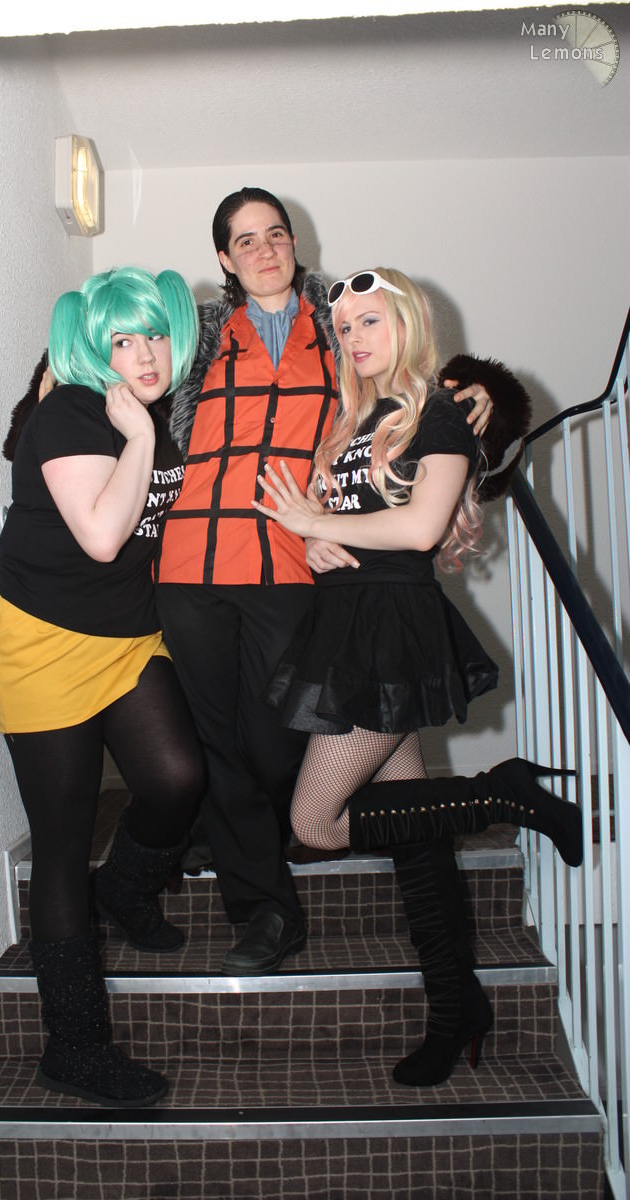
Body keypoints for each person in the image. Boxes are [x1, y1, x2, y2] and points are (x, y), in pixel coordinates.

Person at [155, 187, 499, 976]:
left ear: (293, 242)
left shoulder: (337, 328)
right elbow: (114, 359)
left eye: (275, 233)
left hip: (292, 563)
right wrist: (55, 386)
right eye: (245, 240)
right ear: (224, 258)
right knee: (219, 746)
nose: (264, 249)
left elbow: (405, 386)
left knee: (279, 744)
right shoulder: (196, 337)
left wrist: (478, 388)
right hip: (190, 564)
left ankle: (257, 834)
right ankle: (265, 911)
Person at [253, 267, 582, 1086]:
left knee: (315, 821)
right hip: (349, 621)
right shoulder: (355, 420)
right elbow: (354, 524)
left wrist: (314, 520)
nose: (355, 337)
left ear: (408, 323)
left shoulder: (438, 411)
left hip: (389, 629)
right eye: (345, 327)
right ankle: (456, 1007)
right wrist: (317, 541)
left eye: (372, 320)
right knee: (416, 835)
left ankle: (506, 794)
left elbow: (423, 525)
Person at [0, 267, 206, 1107]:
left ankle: (128, 888)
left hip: (126, 638)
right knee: (63, 844)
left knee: (177, 778)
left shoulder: (153, 414)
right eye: (122, 339)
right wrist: (140, 437)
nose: (145, 354)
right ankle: (73, 1046)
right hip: (44, 645)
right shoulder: (75, 412)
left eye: (155, 335)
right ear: (91, 348)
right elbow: (106, 535)